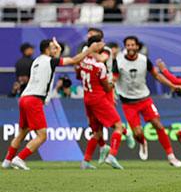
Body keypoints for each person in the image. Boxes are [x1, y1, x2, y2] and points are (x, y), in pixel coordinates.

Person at [2, 38, 104, 170]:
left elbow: (54, 60)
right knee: (42, 135)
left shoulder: (37, 61)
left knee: (22, 132)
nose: (55, 50)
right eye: (53, 48)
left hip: (24, 98)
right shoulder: (50, 61)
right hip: (34, 99)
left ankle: (7, 161)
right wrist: (90, 50)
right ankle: (19, 158)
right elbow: (73, 60)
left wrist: (59, 49)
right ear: (47, 50)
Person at [112, 36, 181, 167]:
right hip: (128, 102)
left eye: (133, 45)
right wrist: (112, 93)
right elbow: (113, 80)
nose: (130, 48)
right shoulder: (119, 61)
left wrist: (172, 85)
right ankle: (143, 142)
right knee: (138, 133)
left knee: (158, 125)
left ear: (137, 47)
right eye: (128, 45)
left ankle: (171, 157)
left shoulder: (144, 60)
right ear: (125, 47)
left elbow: (156, 76)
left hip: (144, 99)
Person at [76, 34, 134, 170]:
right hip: (99, 98)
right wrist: (112, 85)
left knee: (97, 131)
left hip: (87, 98)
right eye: (100, 42)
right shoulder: (99, 65)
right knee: (118, 126)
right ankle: (112, 155)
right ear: (95, 45)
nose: (103, 44)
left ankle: (85, 162)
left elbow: (78, 75)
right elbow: (106, 86)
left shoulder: (82, 60)